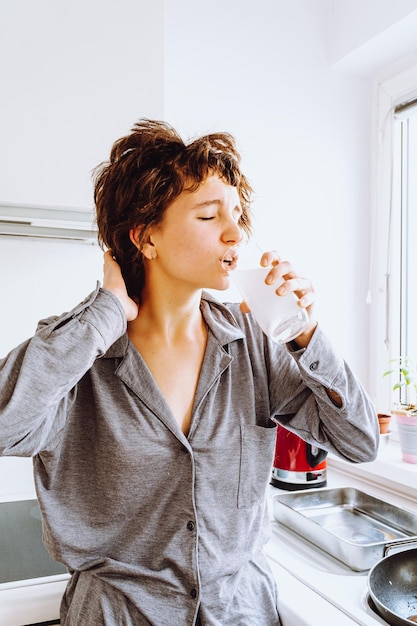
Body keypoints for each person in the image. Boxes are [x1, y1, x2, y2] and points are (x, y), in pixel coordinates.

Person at [0, 118, 379, 625]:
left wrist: (306, 337)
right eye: (208, 215)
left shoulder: (256, 348)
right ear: (146, 237)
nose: (235, 232)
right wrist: (105, 311)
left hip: (240, 613)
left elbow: (358, 442)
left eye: (238, 215)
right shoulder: (78, 356)